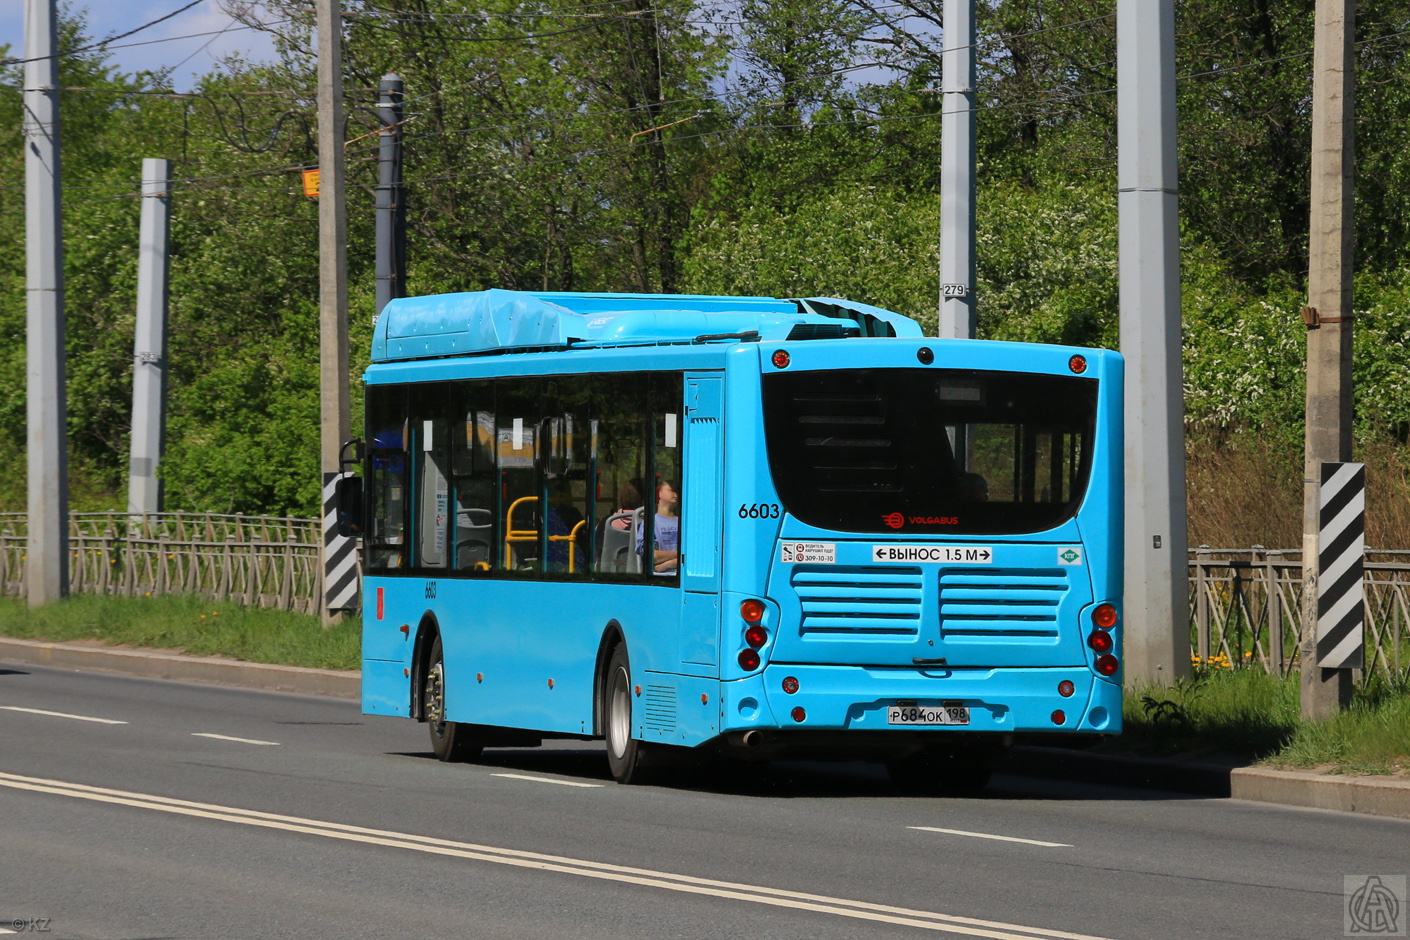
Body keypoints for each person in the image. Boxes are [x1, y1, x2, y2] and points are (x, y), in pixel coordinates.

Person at [636, 479, 680, 575]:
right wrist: (678, 555)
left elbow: (691, 558)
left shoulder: (683, 523)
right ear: (659, 493)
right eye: (671, 490)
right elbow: (652, 556)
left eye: (677, 491)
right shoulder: (650, 523)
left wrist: (666, 565)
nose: (675, 494)